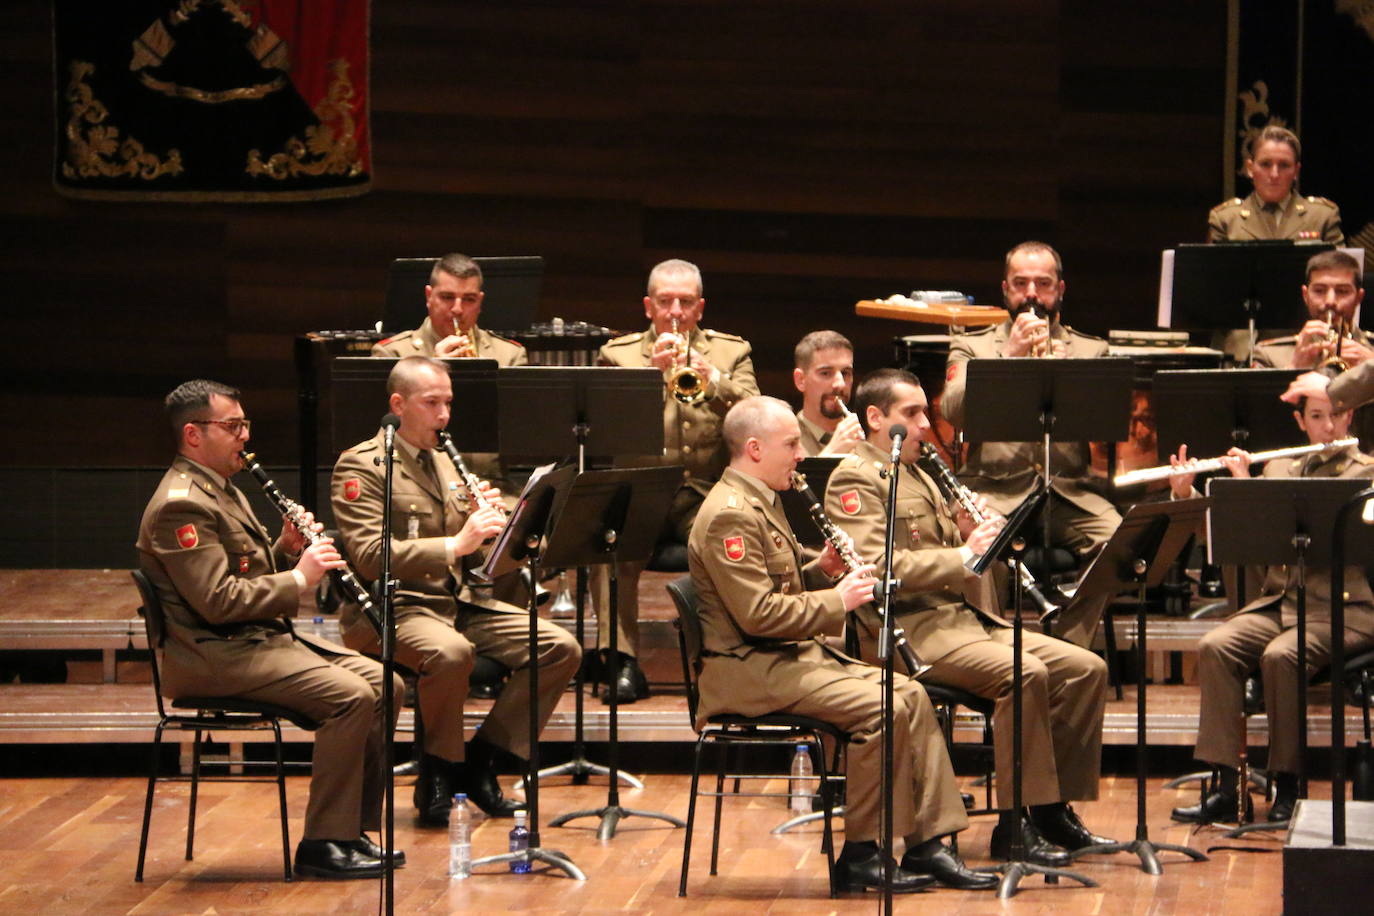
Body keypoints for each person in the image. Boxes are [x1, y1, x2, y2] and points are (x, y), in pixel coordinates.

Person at [688, 395, 995, 891]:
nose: (800, 454)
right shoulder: (729, 515)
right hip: (746, 668)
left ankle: (926, 844)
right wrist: (840, 599)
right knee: (880, 708)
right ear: (754, 448)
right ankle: (861, 854)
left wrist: (821, 570)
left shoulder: (758, 497)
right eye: (791, 444)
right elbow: (759, 616)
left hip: (780, 658)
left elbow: (776, 589)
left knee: (910, 694)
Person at [825, 369, 1112, 866]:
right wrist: (962, 556)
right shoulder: (856, 476)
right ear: (874, 418)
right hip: (909, 631)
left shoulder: (918, 472)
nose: (923, 426)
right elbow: (873, 566)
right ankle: (1014, 824)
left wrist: (969, 534)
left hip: (961, 621)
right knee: (1024, 673)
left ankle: (1050, 810)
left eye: (924, 414)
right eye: (910, 415)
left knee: (1086, 669)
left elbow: (951, 554)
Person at [137, 380, 403, 879]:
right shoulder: (181, 504)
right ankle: (323, 845)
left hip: (250, 641)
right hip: (212, 655)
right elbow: (217, 602)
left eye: (245, 424)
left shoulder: (222, 487)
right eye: (232, 426)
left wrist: (282, 550)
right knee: (350, 696)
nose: (244, 436)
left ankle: (351, 831)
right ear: (193, 434)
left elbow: (242, 575)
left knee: (387, 682)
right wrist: (301, 577)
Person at [331, 357, 581, 825]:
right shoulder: (362, 465)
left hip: (456, 602)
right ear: (398, 405)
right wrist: (455, 542)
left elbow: (474, 551)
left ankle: (484, 759)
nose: (444, 415)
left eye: (448, 402)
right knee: (450, 653)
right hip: (391, 608)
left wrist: (498, 526)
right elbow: (367, 554)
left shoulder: (446, 458)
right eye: (432, 403)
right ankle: (439, 770)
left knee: (559, 648)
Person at [1168, 388, 1374, 823]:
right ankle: (1228, 786)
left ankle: (1288, 784)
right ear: (1301, 422)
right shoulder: (1280, 467)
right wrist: (1199, 496)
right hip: (1281, 601)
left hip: (1344, 608)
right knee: (1216, 645)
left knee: (1283, 656)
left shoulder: (1367, 472)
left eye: (1336, 415)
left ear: (1351, 415)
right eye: (1317, 417)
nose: (1329, 427)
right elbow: (1233, 544)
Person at [592, 258, 759, 702]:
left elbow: (757, 416)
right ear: (649, 306)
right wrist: (650, 375)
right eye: (665, 302)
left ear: (700, 308)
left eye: (685, 302)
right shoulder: (618, 354)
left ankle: (727, 659)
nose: (675, 312)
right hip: (641, 492)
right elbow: (605, 426)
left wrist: (715, 379)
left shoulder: (731, 352)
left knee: (732, 538)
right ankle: (621, 661)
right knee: (610, 545)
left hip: (705, 492)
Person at [942, 240, 1120, 647]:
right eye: (1021, 283)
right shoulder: (974, 346)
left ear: (1060, 289)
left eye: (1043, 283)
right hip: (995, 488)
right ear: (1005, 289)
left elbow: (1109, 419)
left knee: (1117, 538)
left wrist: (1068, 376)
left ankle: (1069, 646)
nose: (1032, 295)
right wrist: (1009, 356)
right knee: (977, 542)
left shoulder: (1092, 350)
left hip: (1069, 490)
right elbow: (953, 410)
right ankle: (995, 653)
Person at [372, 253, 528, 364]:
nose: (457, 309)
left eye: (469, 299)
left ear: (480, 302)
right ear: (429, 296)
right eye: (447, 297)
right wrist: (434, 369)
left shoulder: (510, 356)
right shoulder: (392, 353)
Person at [1207, 124, 1343, 244]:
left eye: (1284, 165)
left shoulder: (1321, 217)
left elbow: (1341, 271)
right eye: (1265, 164)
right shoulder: (1226, 220)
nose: (1274, 174)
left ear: (1296, 171)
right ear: (1250, 168)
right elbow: (1210, 272)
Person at [792, 330, 864, 456]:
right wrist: (832, 451)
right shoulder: (784, 440)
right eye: (825, 373)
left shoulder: (868, 435)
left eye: (845, 373)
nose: (840, 384)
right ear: (801, 380)